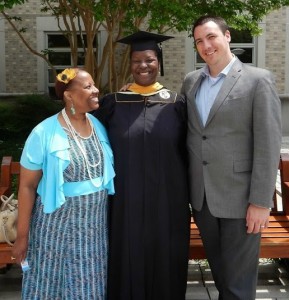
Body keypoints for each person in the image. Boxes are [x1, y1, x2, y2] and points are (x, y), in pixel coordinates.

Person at [181, 15, 282, 300]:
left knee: (238, 285)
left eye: (211, 37)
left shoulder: (257, 80)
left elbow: (268, 143)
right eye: (199, 40)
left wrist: (261, 202)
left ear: (227, 37)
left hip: (241, 201)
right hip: (202, 200)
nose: (206, 45)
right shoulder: (191, 82)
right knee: (223, 279)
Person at [94, 31, 191, 300]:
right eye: (137, 60)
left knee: (166, 251)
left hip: (168, 199)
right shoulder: (113, 103)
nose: (143, 66)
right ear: (130, 65)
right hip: (125, 199)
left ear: (159, 62)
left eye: (149, 59)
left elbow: (191, 149)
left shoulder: (177, 104)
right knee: (127, 250)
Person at [11, 68, 115, 299]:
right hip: (55, 229)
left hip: (93, 231)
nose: (96, 90)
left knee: (89, 288)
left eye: (94, 84)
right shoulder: (43, 132)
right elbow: (27, 186)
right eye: (88, 87)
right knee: (49, 285)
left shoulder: (98, 127)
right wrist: (22, 235)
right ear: (69, 95)